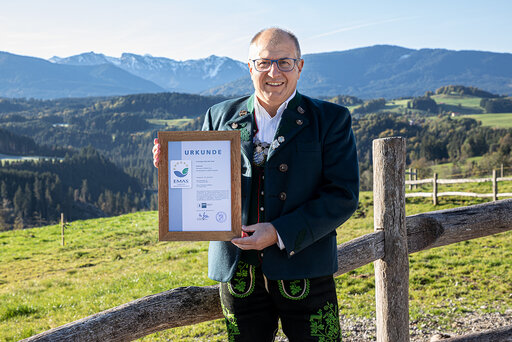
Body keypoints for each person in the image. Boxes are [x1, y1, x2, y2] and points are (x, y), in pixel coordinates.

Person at [153, 27, 359, 342]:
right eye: (263, 63)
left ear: (299, 67)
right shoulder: (220, 115)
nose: (273, 71)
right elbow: (201, 182)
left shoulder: (330, 119)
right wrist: (173, 164)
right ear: (250, 68)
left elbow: (342, 196)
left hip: (305, 266)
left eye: (284, 62)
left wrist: (278, 232)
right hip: (238, 274)